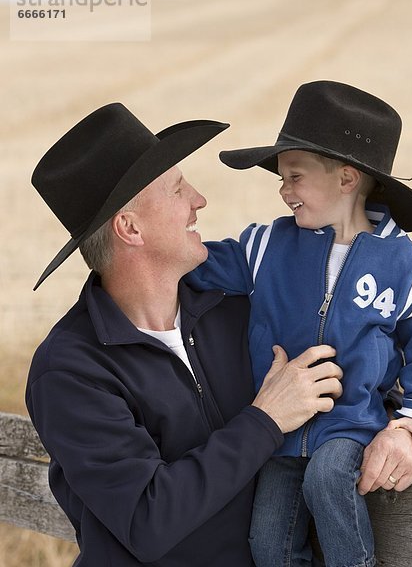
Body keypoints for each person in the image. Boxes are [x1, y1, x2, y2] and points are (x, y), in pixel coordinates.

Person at [25, 103, 345, 567]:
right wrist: (265, 419)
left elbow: (349, 336)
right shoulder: (70, 370)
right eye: (177, 189)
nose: (199, 199)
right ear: (129, 228)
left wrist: (408, 419)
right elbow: (147, 519)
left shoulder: (236, 304)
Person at [185, 81, 412, 567]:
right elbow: (197, 264)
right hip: (278, 429)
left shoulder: (405, 266)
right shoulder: (266, 245)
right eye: (281, 178)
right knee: (268, 542)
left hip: (352, 425)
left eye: (294, 176)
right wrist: (154, 248)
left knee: (327, 478)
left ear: (346, 179)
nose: (282, 189)